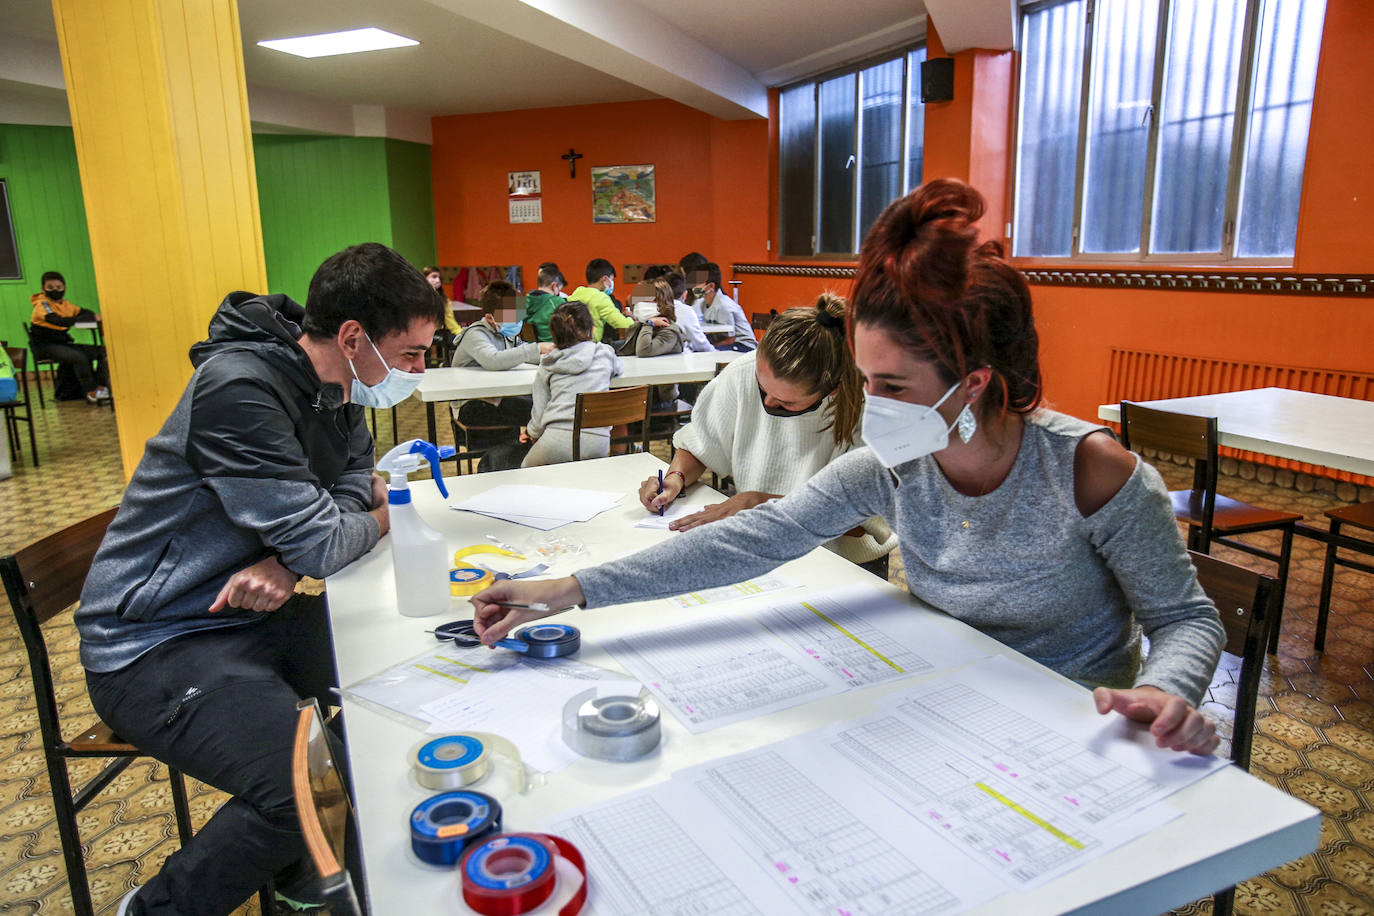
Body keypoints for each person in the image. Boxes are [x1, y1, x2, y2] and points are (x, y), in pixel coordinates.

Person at [471, 179, 1226, 756]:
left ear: (976, 383)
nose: (874, 405)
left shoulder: (1091, 471)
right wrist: (569, 590)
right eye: (869, 381)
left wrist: (1164, 691)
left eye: (894, 387)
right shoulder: (897, 465)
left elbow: (1185, 617)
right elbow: (754, 538)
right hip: (941, 700)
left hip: (1067, 722)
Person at [75, 243, 446, 915]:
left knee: (409, 667)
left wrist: (289, 558)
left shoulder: (339, 391)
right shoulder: (240, 388)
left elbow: (346, 497)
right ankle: (158, 907)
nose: (417, 372)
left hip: (247, 615)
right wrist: (367, 524)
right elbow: (340, 527)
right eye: (413, 354)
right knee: (305, 783)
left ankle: (310, 866)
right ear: (353, 337)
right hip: (153, 642)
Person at [647, 292, 894, 571]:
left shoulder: (867, 407)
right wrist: (676, 478)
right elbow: (702, 442)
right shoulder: (743, 372)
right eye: (762, 388)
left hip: (843, 559)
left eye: (786, 402)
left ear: (831, 389)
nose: (767, 403)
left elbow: (857, 524)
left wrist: (760, 503)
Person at [450, 281, 554, 451]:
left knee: (544, 404)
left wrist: (553, 356)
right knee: (542, 409)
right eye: (512, 317)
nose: (518, 322)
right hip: (472, 405)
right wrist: (536, 348)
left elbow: (522, 353)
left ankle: (531, 451)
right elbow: (494, 360)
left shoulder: (505, 334)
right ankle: (536, 452)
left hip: (498, 397)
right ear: (490, 317)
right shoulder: (475, 335)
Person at [522, 302, 623, 467]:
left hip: (556, 441)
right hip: (598, 443)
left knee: (526, 472)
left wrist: (530, 432)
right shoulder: (604, 353)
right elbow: (619, 369)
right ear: (591, 329)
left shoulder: (548, 363)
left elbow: (539, 417)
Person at [28, 270, 111, 403]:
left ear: (64, 288)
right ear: (43, 289)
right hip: (45, 346)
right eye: (50, 288)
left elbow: (86, 312)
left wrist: (85, 317)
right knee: (78, 357)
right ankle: (91, 392)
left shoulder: (67, 305)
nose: (55, 290)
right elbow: (58, 321)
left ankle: (102, 388)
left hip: (64, 344)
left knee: (104, 351)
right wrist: (83, 319)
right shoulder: (42, 305)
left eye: (59, 287)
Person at [689, 261, 755, 351]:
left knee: (706, 352)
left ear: (711, 286)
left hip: (743, 345)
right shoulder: (702, 304)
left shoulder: (724, 305)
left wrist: (710, 347)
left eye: (698, 282)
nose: (694, 285)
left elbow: (730, 338)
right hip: (726, 343)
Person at [566, 258, 632, 342]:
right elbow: (623, 324)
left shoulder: (577, 293)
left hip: (573, 343)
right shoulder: (601, 297)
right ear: (604, 279)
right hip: (593, 344)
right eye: (611, 280)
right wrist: (630, 317)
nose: (612, 283)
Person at [523, 264, 566, 342]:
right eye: (559, 289)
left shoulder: (523, 300)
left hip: (531, 348)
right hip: (554, 348)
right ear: (554, 285)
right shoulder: (557, 302)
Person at [423, 265, 462, 340]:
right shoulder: (420, 296)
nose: (437, 280)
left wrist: (460, 332)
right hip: (423, 333)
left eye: (439, 278)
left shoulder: (444, 299)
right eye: (434, 277)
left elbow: (449, 319)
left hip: (440, 331)